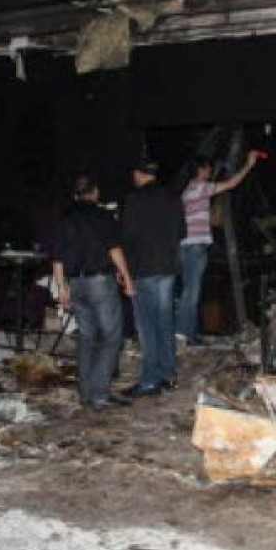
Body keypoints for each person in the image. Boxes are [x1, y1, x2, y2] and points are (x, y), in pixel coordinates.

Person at [52, 173, 135, 410]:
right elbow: (114, 249)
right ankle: (100, 393)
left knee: (87, 337)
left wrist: (62, 289)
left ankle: (86, 393)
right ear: (95, 192)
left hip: (76, 283)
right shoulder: (102, 215)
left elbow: (57, 258)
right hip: (99, 281)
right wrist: (127, 278)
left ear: (75, 195)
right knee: (111, 336)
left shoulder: (65, 219)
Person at [177, 151, 258, 344]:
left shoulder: (189, 190)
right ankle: (180, 332)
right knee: (192, 292)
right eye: (207, 168)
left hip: (187, 246)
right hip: (195, 247)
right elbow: (231, 184)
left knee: (191, 290)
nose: (210, 170)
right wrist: (249, 164)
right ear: (200, 170)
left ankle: (189, 333)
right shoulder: (199, 188)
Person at [121, 160, 185, 397]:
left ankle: (150, 381)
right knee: (164, 322)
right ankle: (169, 375)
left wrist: (124, 269)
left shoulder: (133, 199)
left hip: (143, 268)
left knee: (147, 327)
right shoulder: (172, 197)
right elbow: (182, 231)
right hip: (167, 267)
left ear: (138, 174)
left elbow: (126, 236)